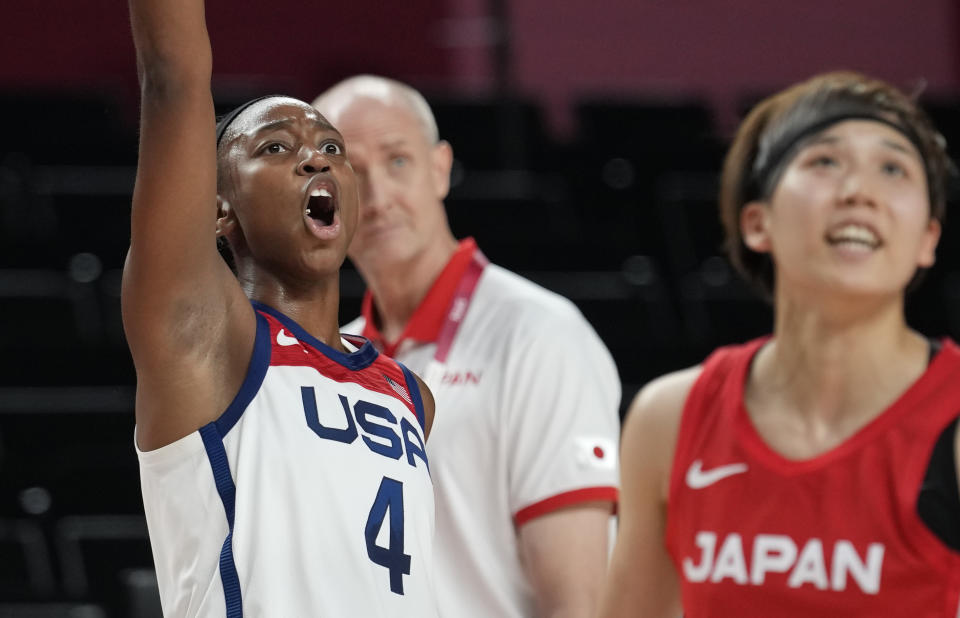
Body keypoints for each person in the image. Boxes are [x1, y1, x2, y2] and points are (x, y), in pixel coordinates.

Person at [597, 71, 960, 618]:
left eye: (893, 168)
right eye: (825, 162)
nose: (858, 191)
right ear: (756, 222)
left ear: (928, 240)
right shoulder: (668, 419)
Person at [123, 1, 439, 615]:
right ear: (218, 207)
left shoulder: (410, 394)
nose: (316, 157)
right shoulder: (207, 339)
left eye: (331, 146)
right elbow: (174, 77)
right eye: (274, 147)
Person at [313, 76, 622, 618]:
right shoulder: (329, 360)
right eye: (351, 173)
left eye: (398, 161)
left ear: (439, 168)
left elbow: (581, 604)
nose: (379, 196)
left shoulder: (540, 336)